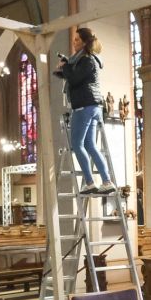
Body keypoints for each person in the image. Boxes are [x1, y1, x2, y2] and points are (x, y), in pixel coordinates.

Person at [53, 25, 113, 194]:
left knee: (77, 145)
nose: (74, 42)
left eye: (77, 39)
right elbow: (75, 76)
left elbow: (74, 78)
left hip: (84, 106)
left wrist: (65, 66)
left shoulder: (87, 59)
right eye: (74, 39)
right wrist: (63, 69)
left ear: (85, 42)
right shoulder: (87, 60)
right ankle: (106, 181)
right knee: (90, 145)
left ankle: (90, 182)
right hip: (93, 106)